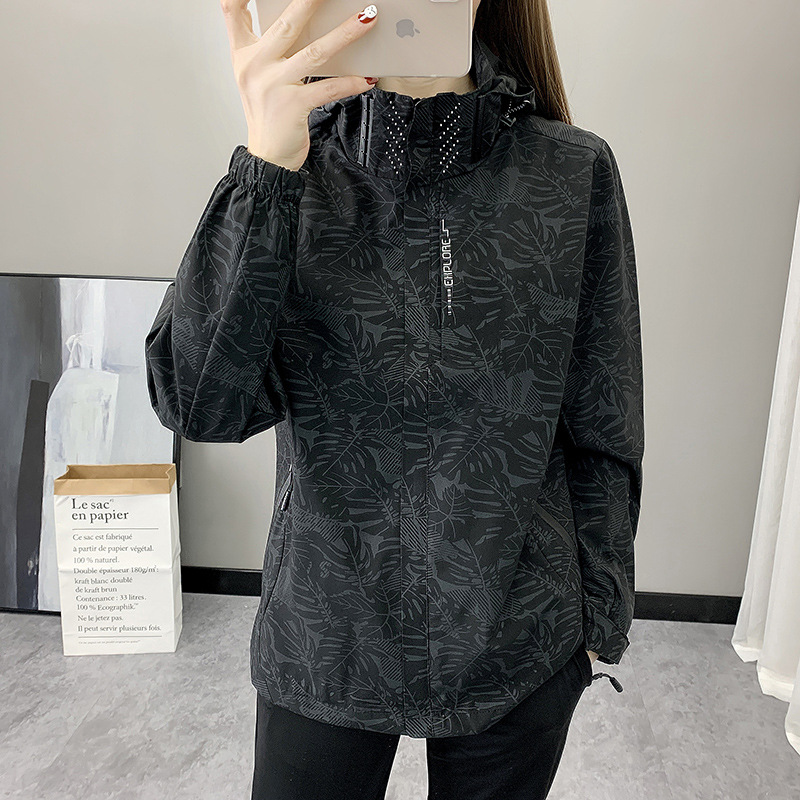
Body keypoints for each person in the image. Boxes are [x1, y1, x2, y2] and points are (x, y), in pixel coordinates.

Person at [144, 0, 645, 797]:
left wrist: (596, 625)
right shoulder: (291, 171)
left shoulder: (573, 169)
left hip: (521, 636)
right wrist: (264, 172)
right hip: (325, 630)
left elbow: (603, 412)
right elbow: (200, 405)